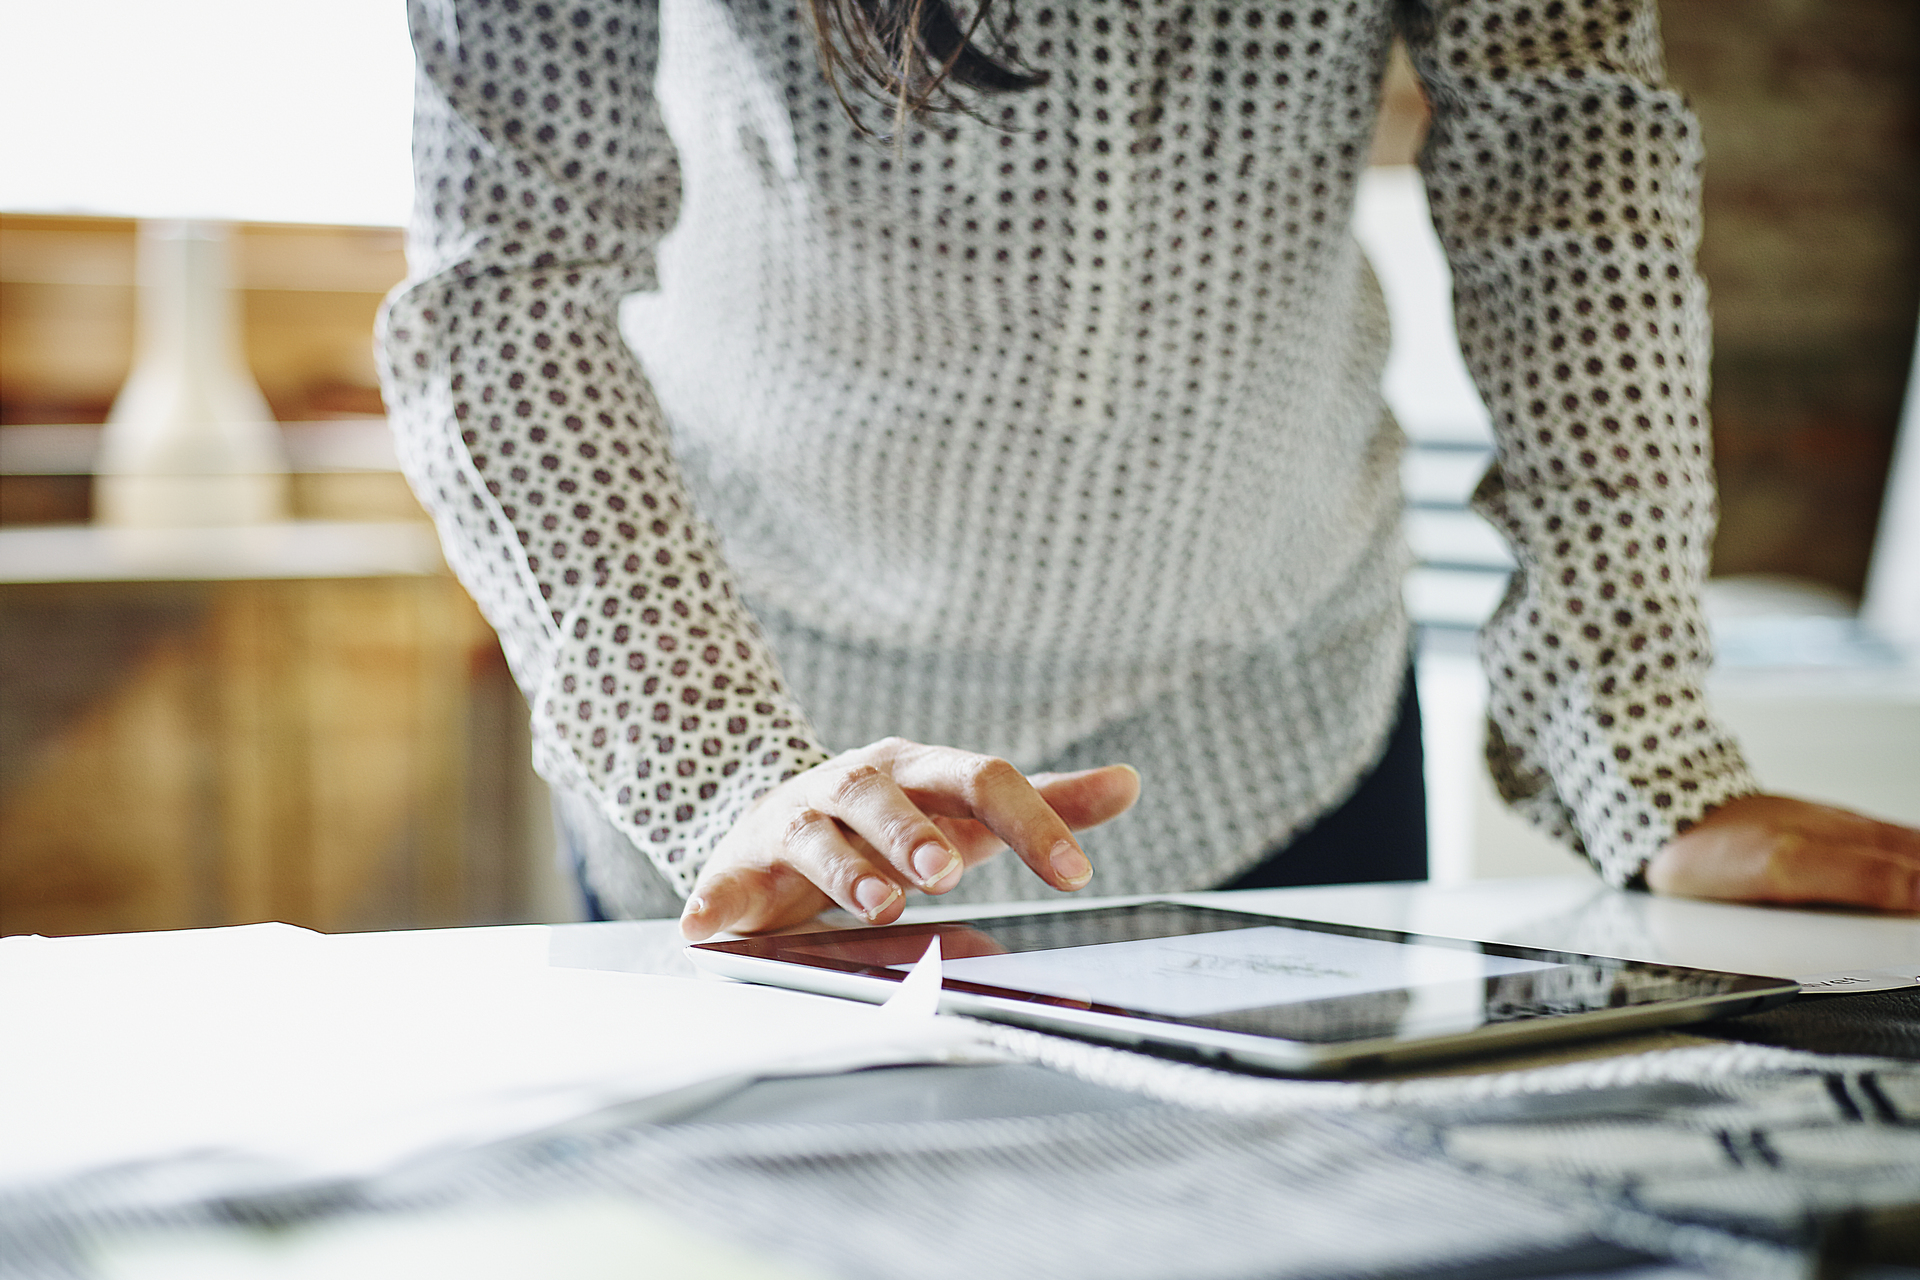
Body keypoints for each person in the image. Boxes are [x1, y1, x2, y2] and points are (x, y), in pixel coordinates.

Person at [380, 0, 1920, 939]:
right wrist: (718, 768)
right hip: (773, 751)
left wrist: (1639, 743)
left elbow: (1566, 157)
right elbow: (505, 275)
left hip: (1277, 726)